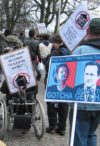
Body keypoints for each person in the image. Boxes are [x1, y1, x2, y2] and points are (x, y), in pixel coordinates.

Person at [69, 18, 100, 146]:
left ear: (87, 30)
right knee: (91, 134)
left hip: (81, 104)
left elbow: (70, 75)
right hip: (98, 104)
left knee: (79, 138)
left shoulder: (80, 50)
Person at [46, 34, 71, 136]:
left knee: (52, 104)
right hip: (67, 83)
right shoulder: (70, 52)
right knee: (64, 105)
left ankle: (52, 126)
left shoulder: (55, 53)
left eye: (53, 42)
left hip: (54, 82)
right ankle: (62, 128)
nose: (53, 44)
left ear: (57, 43)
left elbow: (48, 68)